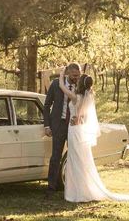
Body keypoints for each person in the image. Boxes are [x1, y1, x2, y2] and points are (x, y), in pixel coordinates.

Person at [59, 71, 129, 204]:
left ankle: (77, 192)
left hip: (74, 129)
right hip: (81, 130)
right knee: (82, 160)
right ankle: (82, 190)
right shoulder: (89, 95)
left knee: (75, 160)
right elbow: (83, 114)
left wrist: (62, 76)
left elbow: (62, 88)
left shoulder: (76, 97)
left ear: (80, 84)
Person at [43, 62, 80, 196]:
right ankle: (51, 187)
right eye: (74, 75)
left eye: (78, 75)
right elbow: (47, 105)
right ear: (68, 73)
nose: (76, 78)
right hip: (58, 125)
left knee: (73, 156)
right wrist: (47, 125)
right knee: (56, 156)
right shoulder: (55, 84)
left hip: (74, 127)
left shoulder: (80, 86)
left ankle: (70, 185)